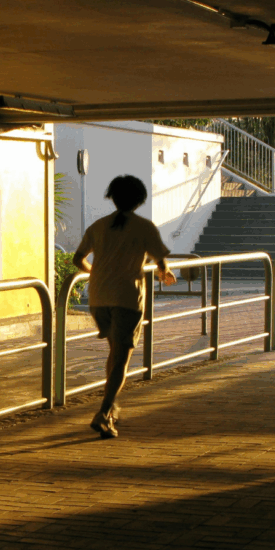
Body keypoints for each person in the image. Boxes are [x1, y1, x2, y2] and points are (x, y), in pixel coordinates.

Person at [73, 175, 176, 439]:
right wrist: (166, 273)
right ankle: (104, 412)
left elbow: (78, 259)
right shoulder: (144, 227)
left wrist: (95, 272)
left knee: (115, 354)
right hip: (127, 298)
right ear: (140, 200)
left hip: (98, 297)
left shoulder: (98, 226)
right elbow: (161, 261)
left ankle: (113, 406)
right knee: (122, 359)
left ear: (113, 197)